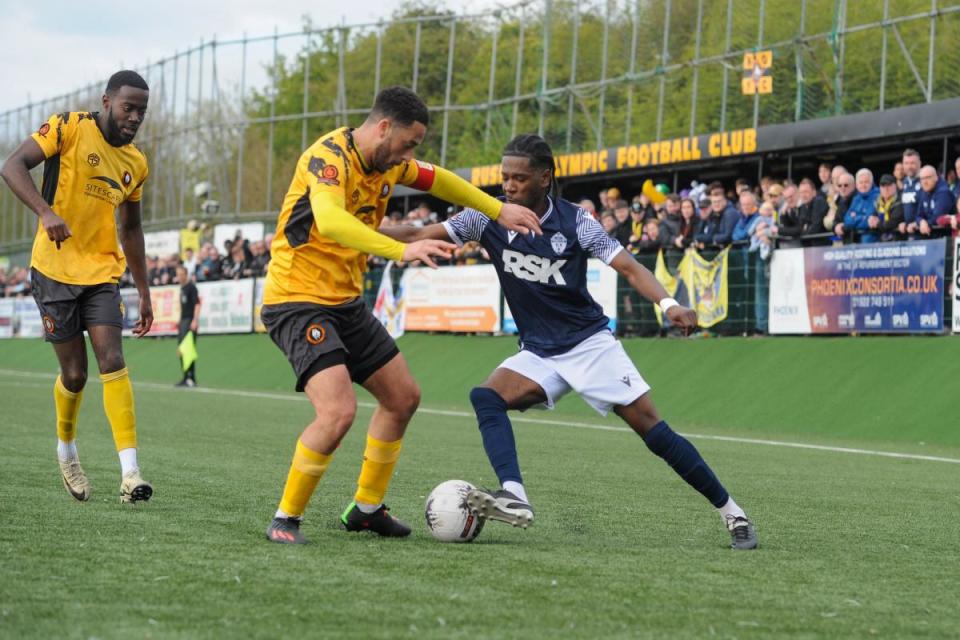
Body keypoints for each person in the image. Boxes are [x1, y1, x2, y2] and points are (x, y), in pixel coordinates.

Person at [382, 134, 758, 550]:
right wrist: (365, 230)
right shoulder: (483, 217)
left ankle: (733, 513)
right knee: (486, 397)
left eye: (519, 178)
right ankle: (515, 496)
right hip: (540, 352)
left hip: (589, 345)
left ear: (545, 178)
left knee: (654, 431)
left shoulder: (576, 221)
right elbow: (418, 232)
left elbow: (630, 267)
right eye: (504, 177)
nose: (508, 186)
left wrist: (669, 304)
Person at [260, 86, 542, 545]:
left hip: (344, 301)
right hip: (296, 299)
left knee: (403, 397)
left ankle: (366, 510)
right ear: (384, 127)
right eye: (409, 144)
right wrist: (401, 249)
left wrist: (497, 208)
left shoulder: (388, 162)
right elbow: (330, 221)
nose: (411, 155)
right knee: (338, 412)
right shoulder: (328, 158)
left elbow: (442, 179)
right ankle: (285, 519)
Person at [0, 70, 155, 503]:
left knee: (112, 358)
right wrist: (45, 212)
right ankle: (66, 450)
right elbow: (11, 165)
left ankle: (130, 473)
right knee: (75, 373)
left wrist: (143, 291)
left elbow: (132, 230)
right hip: (53, 271)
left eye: (142, 110)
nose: (135, 117)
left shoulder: (136, 164)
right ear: (107, 101)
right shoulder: (68, 127)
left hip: (102, 274)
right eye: (129, 107)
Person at [175, 265, 200, 387]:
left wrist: (195, 320)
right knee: (181, 350)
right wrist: (179, 321)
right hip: (183, 321)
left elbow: (197, 304)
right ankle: (185, 376)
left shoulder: (191, 287)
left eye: (181, 274)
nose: (179, 277)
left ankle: (191, 378)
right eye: (177, 274)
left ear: (186, 274)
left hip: (190, 320)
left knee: (188, 349)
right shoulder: (182, 288)